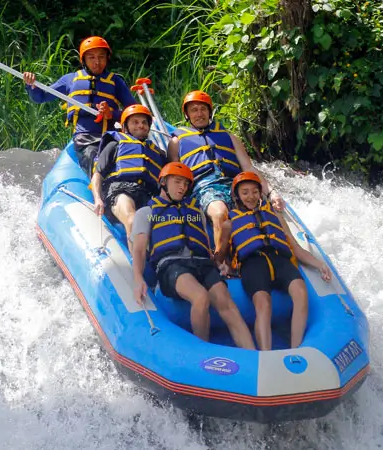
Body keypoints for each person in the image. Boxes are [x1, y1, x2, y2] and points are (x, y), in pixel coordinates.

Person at [131, 163, 256, 350]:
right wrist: (138, 278)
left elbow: (204, 242)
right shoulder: (147, 212)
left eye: (186, 184)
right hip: (171, 266)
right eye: (177, 181)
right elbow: (139, 249)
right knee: (200, 297)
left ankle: (253, 355)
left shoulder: (196, 211)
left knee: (227, 304)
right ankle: (204, 353)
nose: (182, 187)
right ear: (164, 182)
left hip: (202, 263)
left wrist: (219, 263)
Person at [216, 172, 331, 350]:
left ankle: (296, 349)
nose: (250, 196)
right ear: (237, 195)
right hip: (253, 264)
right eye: (245, 192)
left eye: (255, 191)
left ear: (260, 193)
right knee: (263, 303)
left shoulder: (275, 217)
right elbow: (221, 253)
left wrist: (320, 264)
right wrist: (223, 265)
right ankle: (266, 354)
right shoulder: (229, 223)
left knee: (300, 291)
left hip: (279, 260)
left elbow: (296, 248)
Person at [166, 90, 286, 258]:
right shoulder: (176, 141)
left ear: (209, 112)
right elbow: (173, 174)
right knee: (220, 213)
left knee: (262, 211)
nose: (199, 114)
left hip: (234, 184)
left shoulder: (229, 137)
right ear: (187, 115)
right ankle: (221, 260)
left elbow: (248, 168)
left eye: (203, 109)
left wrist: (272, 192)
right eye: (194, 110)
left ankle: (276, 253)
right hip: (204, 186)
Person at [22, 36, 137, 174]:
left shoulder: (116, 81)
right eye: (91, 57)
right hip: (85, 137)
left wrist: (111, 113)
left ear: (107, 58)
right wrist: (31, 85)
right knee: (93, 158)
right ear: (84, 60)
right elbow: (40, 97)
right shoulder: (70, 80)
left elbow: (133, 113)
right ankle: (101, 188)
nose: (97, 62)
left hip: (111, 135)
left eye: (101, 57)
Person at [91, 104, 166, 240]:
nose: (141, 125)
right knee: (133, 221)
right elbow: (97, 174)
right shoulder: (115, 144)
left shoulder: (158, 154)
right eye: (135, 122)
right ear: (125, 126)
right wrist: (97, 199)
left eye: (144, 122)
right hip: (120, 190)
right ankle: (137, 261)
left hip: (147, 195)